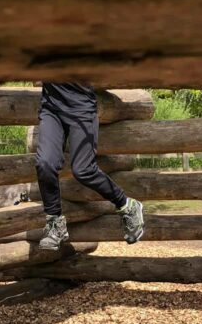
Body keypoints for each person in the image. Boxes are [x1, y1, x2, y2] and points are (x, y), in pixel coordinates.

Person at [35, 81, 144, 250]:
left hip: (81, 108)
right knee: (45, 164)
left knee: (84, 170)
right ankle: (55, 223)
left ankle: (127, 205)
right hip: (51, 109)